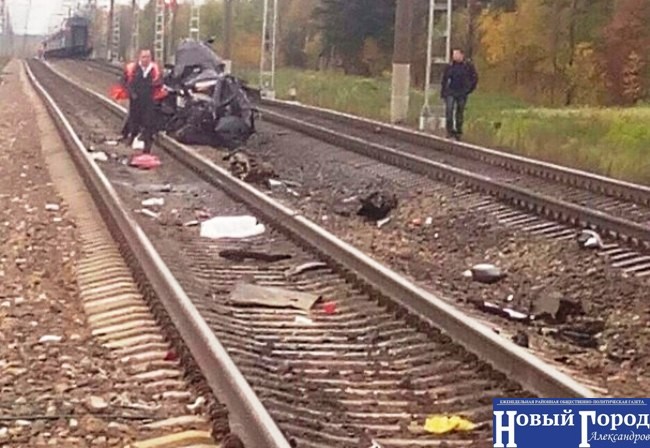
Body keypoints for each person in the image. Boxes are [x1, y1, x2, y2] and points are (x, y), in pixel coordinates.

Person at [119, 49, 166, 153]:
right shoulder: (132, 69)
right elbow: (124, 81)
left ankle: (147, 146)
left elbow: (160, 82)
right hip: (135, 99)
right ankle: (132, 136)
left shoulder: (155, 70)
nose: (146, 59)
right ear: (139, 57)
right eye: (144, 57)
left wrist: (156, 93)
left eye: (148, 57)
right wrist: (131, 93)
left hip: (149, 99)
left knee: (148, 121)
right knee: (134, 119)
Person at [440, 48, 478, 141]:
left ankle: (458, 131)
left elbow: (474, 77)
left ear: (462, 55)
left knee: (459, 112)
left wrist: (469, 89)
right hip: (450, 91)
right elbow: (444, 79)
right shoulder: (450, 66)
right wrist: (443, 92)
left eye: (457, 54)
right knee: (449, 110)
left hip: (462, 92)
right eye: (454, 54)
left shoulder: (468, 66)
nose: (455, 56)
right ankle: (449, 130)